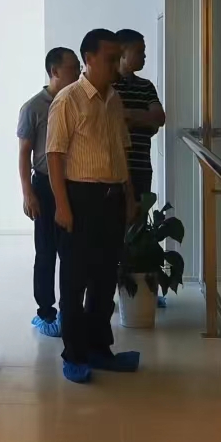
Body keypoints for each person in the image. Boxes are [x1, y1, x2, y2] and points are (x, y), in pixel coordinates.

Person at [46, 28, 140, 384]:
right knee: (75, 281)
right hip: (80, 198)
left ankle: (100, 348)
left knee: (104, 278)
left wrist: (129, 196)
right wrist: (62, 205)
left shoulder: (114, 99)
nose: (116, 64)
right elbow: (54, 155)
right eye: (110, 58)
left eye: (118, 58)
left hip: (112, 197)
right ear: (89, 59)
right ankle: (74, 354)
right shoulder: (68, 99)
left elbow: (122, 151)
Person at [17, 46, 81, 337]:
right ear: (54, 71)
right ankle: (45, 312)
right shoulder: (33, 107)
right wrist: (28, 193)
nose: (78, 72)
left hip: (76, 183)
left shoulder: (79, 101)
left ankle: (72, 309)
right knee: (46, 251)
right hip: (44, 185)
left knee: (74, 251)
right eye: (72, 67)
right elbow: (24, 153)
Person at [113, 29, 167, 307]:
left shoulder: (145, 86)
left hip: (141, 166)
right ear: (122, 52)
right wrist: (142, 119)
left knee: (137, 226)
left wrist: (130, 116)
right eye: (140, 51)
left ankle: (136, 290)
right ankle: (111, 290)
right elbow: (111, 122)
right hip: (112, 171)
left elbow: (159, 117)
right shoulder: (108, 86)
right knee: (112, 228)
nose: (144, 56)